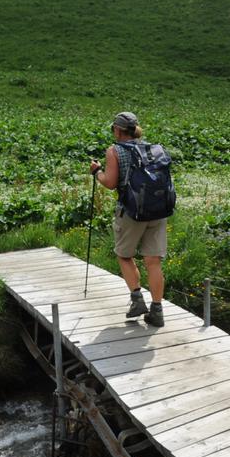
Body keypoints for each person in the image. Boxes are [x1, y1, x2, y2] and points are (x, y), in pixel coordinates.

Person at [91, 111, 167, 327]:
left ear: (117, 129)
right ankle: (157, 312)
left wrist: (97, 172)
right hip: (159, 211)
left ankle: (137, 301)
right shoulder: (154, 148)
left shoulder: (115, 151)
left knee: (124, 255)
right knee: (153, 261)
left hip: (131, 211)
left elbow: (111, 182)